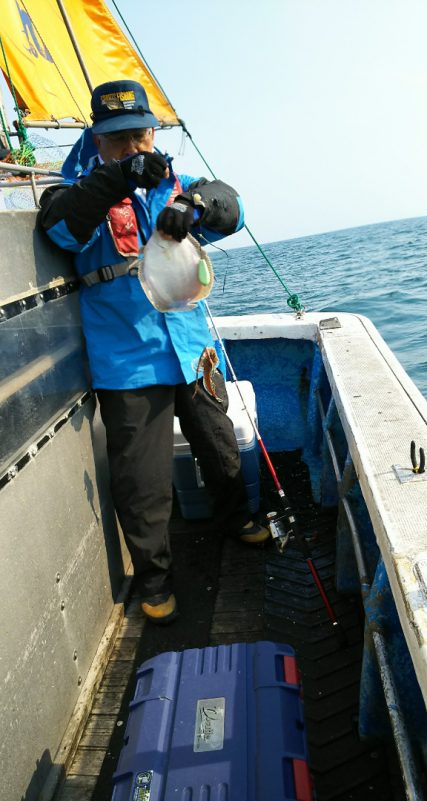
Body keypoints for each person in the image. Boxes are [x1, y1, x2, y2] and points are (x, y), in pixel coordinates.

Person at [39, 79, 269, 625]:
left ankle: (237, 519)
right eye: (116, 139)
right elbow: (61, 228)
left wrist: (194, 204)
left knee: (218, 443)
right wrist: (117, 179)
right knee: (142, 480)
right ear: (96, 140)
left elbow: (234, 210)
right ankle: (155, 576)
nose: (131, 146)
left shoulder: (176, 186)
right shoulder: (74, 192)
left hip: (192, 349)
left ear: (152, 130)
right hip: (128, 361)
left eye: (138, 135)